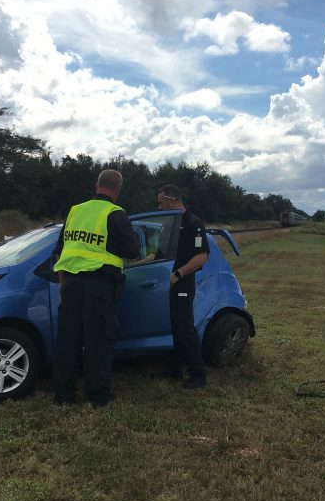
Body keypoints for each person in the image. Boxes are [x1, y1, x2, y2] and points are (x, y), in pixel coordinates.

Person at [52, 169, 140, 407]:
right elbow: (133, 252)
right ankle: (97, 396)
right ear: (118, 191)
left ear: (96, 185)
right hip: (100, 288)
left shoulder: (75, 211)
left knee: (67, 341)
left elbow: (60, 252)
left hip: (70, 285)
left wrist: (62, 284)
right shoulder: (115, 213)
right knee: (99, 342)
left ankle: (64, 395)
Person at [154, 184, 210, 388]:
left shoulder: (193, 224)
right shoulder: (168, 224)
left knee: (184, 326)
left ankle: (197, 374)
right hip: (165, 282)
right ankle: (173, 368)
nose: (159, 208)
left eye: (161, 203)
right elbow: (160, 254)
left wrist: (178, 274)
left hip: (182, 282)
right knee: (169, 324)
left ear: (171, 200)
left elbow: (201, 256)